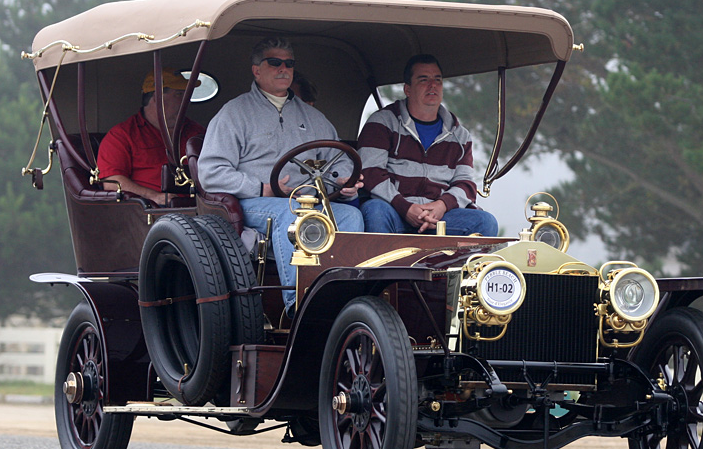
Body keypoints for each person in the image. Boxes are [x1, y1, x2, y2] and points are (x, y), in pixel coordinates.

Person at [199, 37, 363, 314]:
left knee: (352, 216)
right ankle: (299, 307)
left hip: (309, 201)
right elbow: (210, 173)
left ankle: (348, 302)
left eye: (289, 63)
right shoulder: (234, 113)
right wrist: (260, 187)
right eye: (274, 62)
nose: (283, 69)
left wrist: (345, 182)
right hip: (251, 202)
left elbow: (339, 161)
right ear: (256, 70)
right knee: (295, 215)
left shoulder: (313, 117)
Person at [357, 53, 499, 236]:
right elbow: (370, 173)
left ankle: (457, 265)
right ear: (407, 89)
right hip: (394, 211)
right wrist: (405, 208)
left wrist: (441, 206)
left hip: (439, 217)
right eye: (423, 79)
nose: (433, 85)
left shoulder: (460, 135)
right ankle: (383, 266)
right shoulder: (382, 123)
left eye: (437, 80)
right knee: (375, 210)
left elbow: (466, 184)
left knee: (486, 222)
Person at [97, 68, 205, 206]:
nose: (187, 101)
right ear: (157, 98)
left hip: (200, 207)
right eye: (179, 95)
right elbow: (112, 184)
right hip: (153, 213)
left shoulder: (197, 132)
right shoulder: (121, 136)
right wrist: (154, 197)